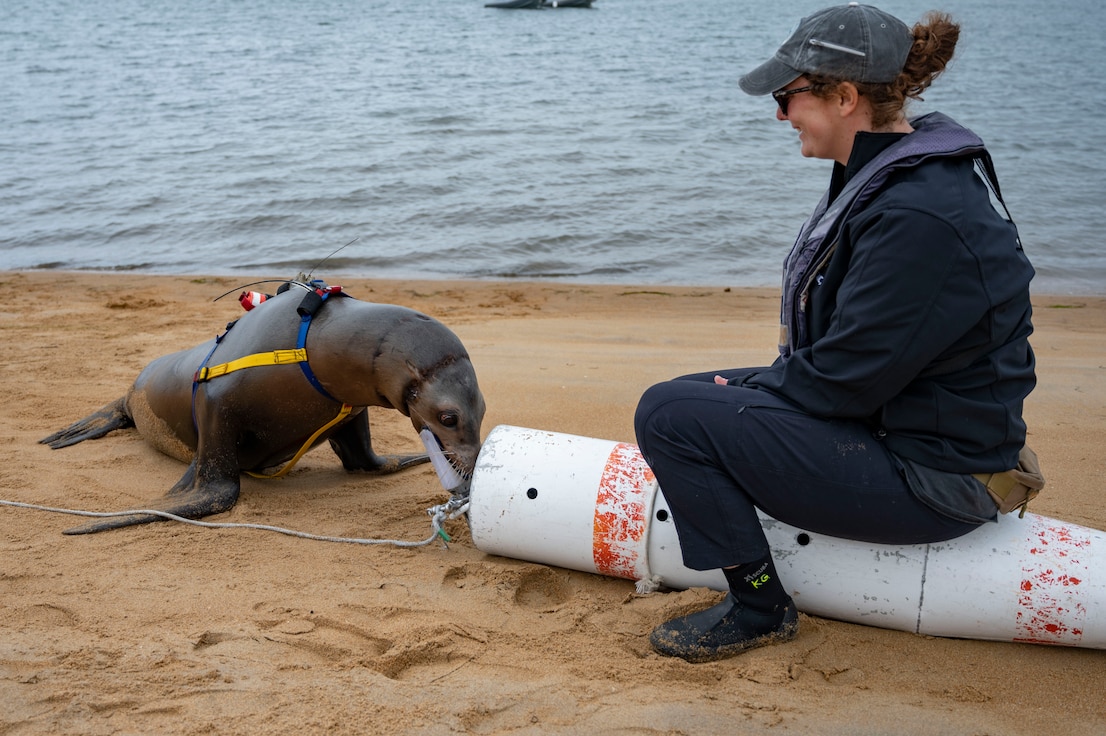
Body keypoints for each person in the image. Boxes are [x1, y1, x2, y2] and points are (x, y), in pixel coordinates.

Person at [633, 3, 1038, 663]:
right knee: (689, 395)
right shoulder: (894, 173)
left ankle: (759, 607)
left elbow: (844, 382)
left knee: (671, 413)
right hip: (897, 426)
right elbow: (851, 367)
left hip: (937, 479)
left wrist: (746, 396)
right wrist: (745, 391)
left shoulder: (921, 214)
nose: (779, 114)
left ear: (845, 97)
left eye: (787, 96)